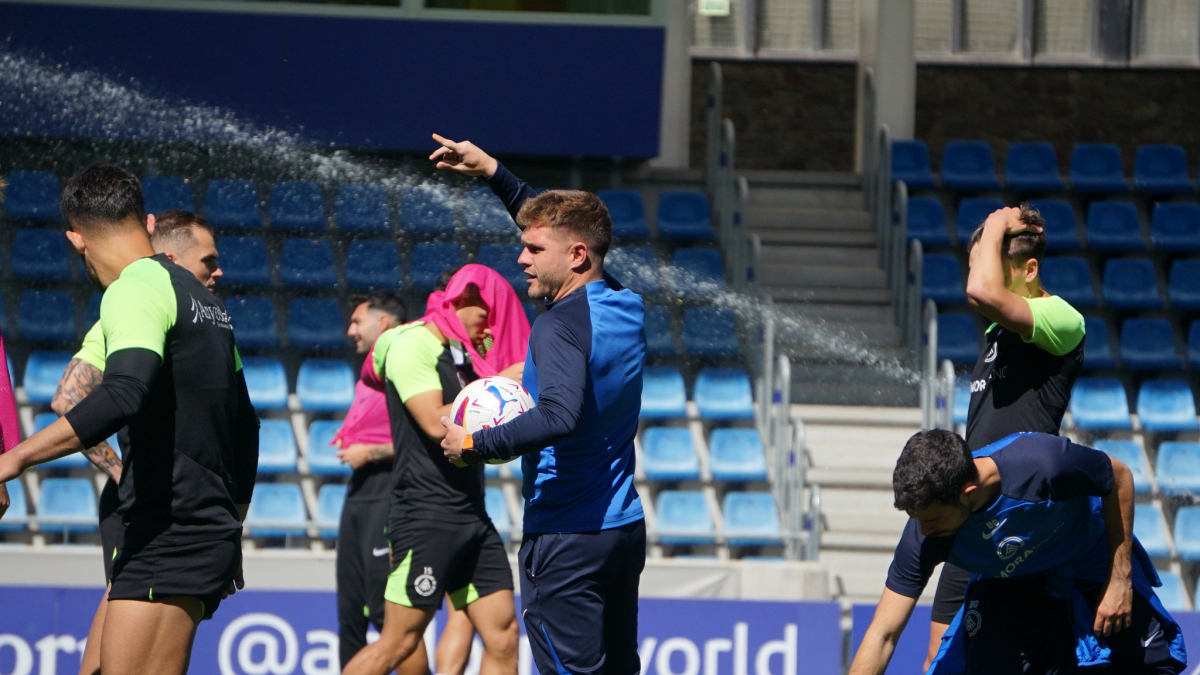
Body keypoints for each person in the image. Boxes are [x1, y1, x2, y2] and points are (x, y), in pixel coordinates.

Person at [0, 164, 259, 675]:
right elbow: (245, 426)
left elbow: (124, 392)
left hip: (171, 529)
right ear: (146, 221)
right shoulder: (204, 300)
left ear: (76, 238)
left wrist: (14, 459)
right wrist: (231, 523)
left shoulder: (133, 287)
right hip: (176, 528)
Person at [432, 135, 648, 675]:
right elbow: (560, 228)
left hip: (566, 537)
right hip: (621, 531)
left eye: (533, 251)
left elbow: (557, 416)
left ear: (576, 256)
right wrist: (493, 172)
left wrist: (473, 444)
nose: (521, 258)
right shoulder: (624, 304)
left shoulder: (557, 326)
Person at [850, 429, 1185, 675]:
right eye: (918, 520)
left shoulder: (1043, 464)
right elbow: (883, 634)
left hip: (1090, 562)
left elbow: (1119, 477)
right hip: (1012, 588)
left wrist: (1119, 579)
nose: (924, 531)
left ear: (968, 493)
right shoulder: (925, 534)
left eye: (933, 519)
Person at [47, 209, 224, 675]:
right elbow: (69, 398)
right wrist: (119, 469)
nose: (218, 272)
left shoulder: (195, 318)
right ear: (173, 260)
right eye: (208, 261)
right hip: (145, 509)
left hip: (163, 507)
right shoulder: (138, 305)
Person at [343, 264, 529, 675]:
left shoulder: (463, 351)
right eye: (486, 313)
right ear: (461, 300)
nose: (490, 325)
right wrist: (498, 383)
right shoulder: (412, 344)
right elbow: (432, 421)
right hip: (424, 515)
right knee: (398, 643)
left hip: (472, 514)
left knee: (504, 637)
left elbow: (490, 370)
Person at [925, 204, 1087, 667]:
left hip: (1017, 519)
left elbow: (980, 289)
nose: (981, 274)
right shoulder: (999, 333)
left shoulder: (1061, 318)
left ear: (1030, 269)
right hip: (971, 511)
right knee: (938, 661)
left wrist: (997, 221)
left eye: (994, 262)